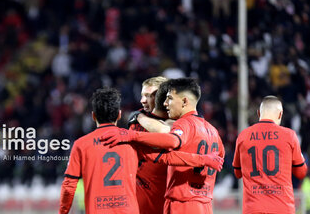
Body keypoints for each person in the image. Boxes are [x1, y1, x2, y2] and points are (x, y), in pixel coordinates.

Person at [59, 87, 224, 214]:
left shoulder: (81, 145)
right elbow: (168, 158)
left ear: (93, 116)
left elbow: (69, 185)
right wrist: (204, 160)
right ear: (119, 115)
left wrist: (63, 211)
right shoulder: (131, 142)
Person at [101, 78, 225, 214]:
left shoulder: (181, 125)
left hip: (179, 202)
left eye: (169, 98)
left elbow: (171, 141)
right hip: (203, 203)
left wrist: (133, 134)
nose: (143, 100)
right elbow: (218, 159)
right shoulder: (213, 131)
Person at [232, 95, 308, 214]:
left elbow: (237, 173)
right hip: (282, 208)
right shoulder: (290, 136)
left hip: (253, 208)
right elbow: (301, 173)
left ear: (258, 113)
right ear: (280, 114)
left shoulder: (243, 136)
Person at [129, 77, 171, 214]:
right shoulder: (135, 123)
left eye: (148, 96)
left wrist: (138, 116)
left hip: (167, 201)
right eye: (142, 95)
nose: (142, 100)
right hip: (140, 202)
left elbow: (165, 130)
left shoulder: (179, 122)